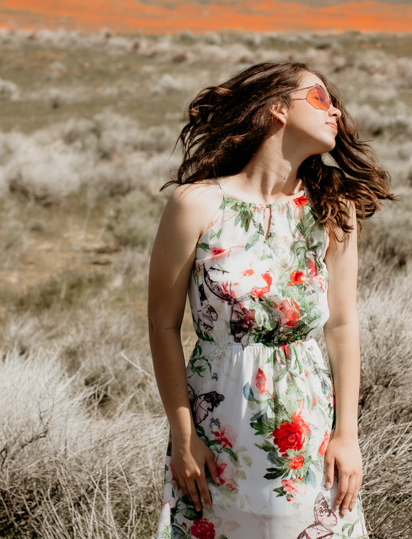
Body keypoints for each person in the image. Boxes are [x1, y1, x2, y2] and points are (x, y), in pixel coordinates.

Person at [148, 61, 393, 539]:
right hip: (217, 429)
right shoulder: (195, 205)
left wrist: (348, 435)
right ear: (276, 109)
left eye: (335, 101)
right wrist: (184, 437)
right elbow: (162, 326)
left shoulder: (331, 208)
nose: (336, 111)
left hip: (308, 425)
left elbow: (342, 325)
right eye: (320, 98)